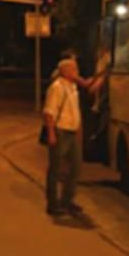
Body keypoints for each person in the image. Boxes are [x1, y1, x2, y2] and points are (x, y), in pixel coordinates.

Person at [43, 57, 84, 216]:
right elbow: (49, 112)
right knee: (56, 169)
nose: (77, 72)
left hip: (71, 132)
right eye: (74, 69)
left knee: (75, 167)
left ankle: (67, 201)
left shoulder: (73, 87)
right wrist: (51, 133)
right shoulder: (57, 88)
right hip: (60, 131)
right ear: (66, 72)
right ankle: (53, 204)